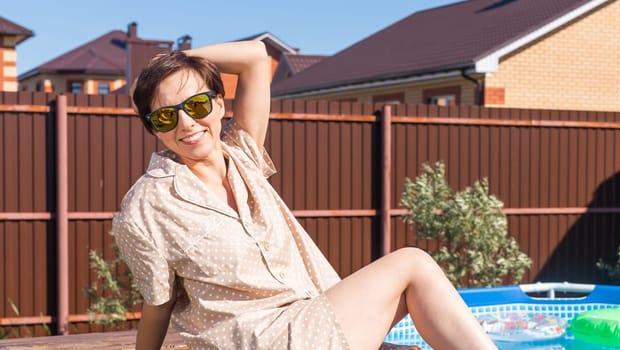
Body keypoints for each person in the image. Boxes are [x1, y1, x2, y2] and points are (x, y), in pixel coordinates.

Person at [112, 40, 497, 350]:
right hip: (256, 341)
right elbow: (158, 305)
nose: (186, 123)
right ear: (152, 127)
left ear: (218, 103)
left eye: (196, 105)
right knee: (413, 263)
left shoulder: (242, 155)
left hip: (307, 322)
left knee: (415, 292)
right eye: (164, 116)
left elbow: (256, 58)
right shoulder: (145, 206)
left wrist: (175, 63)